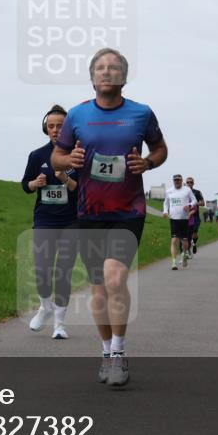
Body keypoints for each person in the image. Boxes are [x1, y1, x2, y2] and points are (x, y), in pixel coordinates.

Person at [52, 47, 167, 388]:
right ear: (92, 77)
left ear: (124, 77)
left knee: (115, 278)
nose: (106, 72)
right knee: (99, 288)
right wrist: (67, 158)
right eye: (100, 68)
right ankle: (105, 350)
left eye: (113, 67)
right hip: (89, 212)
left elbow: (160, 148)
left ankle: (118, 352)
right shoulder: (76, 116)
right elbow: (57, 156)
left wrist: (148, 162)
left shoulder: (141, 114)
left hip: (129, 211)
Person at [22, 104, 78, 340]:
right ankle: (45, 306)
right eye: (52, 126)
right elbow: (25, 185)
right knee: (43, 269)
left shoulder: (78, 156)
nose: (56, 130)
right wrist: (36, 183)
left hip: (72, 221)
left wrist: (65, 178)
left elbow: (82, 191)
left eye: (61, 126)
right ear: (46, 128)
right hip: (45, 219)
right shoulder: (37, 156)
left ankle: (59, 324)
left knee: (63, 272)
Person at [163, 174, 196, 270]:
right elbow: (166, 203)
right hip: (173, 219)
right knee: (174, 240)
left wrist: (189, 205)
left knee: (185, 241)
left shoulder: (187, 190)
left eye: (178, 180)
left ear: (181, 181)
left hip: (184, 219)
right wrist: (165, 211)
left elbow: (194, 200)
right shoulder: (169, 191)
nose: (177, 182)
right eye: (175, 180)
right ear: (173, 181)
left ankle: (184, 254)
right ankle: (174, 262)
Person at [185, 177, 205, 254]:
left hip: (195, 216)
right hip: (185, 216)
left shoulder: (197, 192)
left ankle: (194, 243)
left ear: (193, 183)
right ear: (186, 183)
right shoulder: (183, 192)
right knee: (187, 234)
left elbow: (203, 203)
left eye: (191, 182)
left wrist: (195, 203)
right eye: (188, 182)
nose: (189, 183)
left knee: (194, 234)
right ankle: (187, 250)